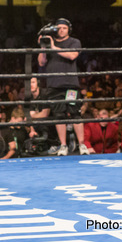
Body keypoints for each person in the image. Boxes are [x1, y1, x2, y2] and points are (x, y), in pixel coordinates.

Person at [37, 18, 89, 156]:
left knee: (75, 113)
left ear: (68, 29)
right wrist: (43, 46)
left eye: (64, 28)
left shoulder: (74, 42)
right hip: (54, 84)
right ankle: (63, 145)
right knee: (59, 115)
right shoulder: (49, 42)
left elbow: (72, 56)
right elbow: (42, 62)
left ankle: (82, 145)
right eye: (58, 28)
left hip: (70, 84)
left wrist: (53, 47)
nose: (61, 30)